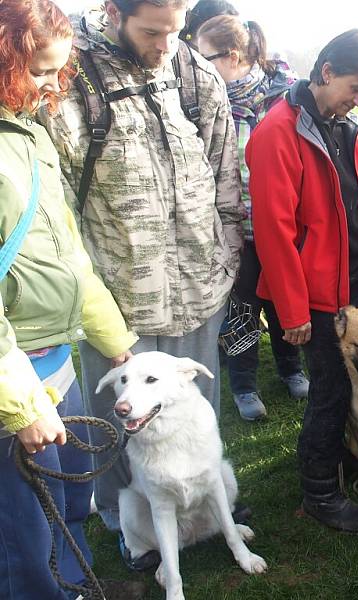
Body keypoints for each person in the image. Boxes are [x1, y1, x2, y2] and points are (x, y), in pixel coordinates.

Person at [40, 0, 244, 561]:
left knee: (190, 401)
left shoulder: (194, 71)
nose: (164, 44)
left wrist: (226, 255)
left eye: (174, 30)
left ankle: (202, 495)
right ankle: (123, 520)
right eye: (151, 32)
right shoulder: (69, 75)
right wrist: (87, 292)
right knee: (117, 416)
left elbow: (228, 170)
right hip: (118, 296)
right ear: (112, 12)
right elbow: (54, 198)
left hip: (200, 286)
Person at [0, 1, 140, 598]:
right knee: (25, 529)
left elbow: (70, 253)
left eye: (61, 69)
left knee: (71, 498)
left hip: (55, 358)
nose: (56, 85)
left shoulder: (30, 133)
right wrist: (19, 404)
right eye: (40, 71)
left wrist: (116, 342)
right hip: (15, 372)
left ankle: (76, 586)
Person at [247, 30, 358, 534]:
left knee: (347, 387)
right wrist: (292, 312)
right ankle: (320, 493)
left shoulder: (352, 128)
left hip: (351, 286)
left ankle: (338, 460)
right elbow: (273, 232)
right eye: (355, 88)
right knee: (329, 390)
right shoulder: (276, 132)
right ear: (326, 72)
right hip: (310, 297)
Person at [196, 16, 309, 420]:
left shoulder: (282, 98)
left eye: (203, 56)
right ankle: (244, 385)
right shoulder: (206, 101)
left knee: (282, 302)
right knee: (242, 307)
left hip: (280, 226)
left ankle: (291, 367)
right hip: (235, 230)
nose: (195, 63)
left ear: (232, 56)